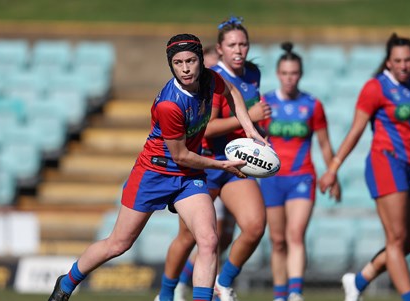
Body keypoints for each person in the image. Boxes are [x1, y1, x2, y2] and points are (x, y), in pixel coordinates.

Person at [46, 33, 265, 301]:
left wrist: (249, 129)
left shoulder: (209, 80)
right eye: (178, 62)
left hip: (188, 178)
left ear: (200, 61)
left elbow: (231, 92)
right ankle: (67, 282)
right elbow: (182, 155)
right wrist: (222, 165)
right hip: (154, 173)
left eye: (191, 61)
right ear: (170, 65)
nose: (185, 68)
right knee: (118, 244)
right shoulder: (170, 104)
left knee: (208, 240)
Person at [319, 33, 410, 301]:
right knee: (396, 238)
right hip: (385, 162)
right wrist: (333, 168)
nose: (404, 65)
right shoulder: (376, 88)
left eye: (408, 60)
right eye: (398, 60)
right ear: (389, 62)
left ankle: (359, 280)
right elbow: (356, 131)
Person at [156, 16, 271, 301]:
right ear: (219, 49)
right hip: (204, 163)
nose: (239, 50)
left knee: (255, 225)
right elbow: (208, 126)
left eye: (243, 44)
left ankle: (224, 282)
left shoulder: (253, 73)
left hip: (235, 164)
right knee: (188, 237)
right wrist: (248, 120)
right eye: (232, 44)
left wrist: (256, 132)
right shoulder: (211, 78)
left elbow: (249, 116)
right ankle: (166, 294)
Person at [259, 42, 340, 301]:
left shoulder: (312, 105)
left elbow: (325, 143)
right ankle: (279, 294)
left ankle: (295, 292)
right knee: (278, 239)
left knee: (295, 234)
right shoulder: (265, 104)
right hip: (272, 180)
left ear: (300, 74)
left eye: (293, 73)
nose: (289, 78)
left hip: (301, 177)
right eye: (284, 73)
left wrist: (332, 172)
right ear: (278, 74)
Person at [171, 37, 238, 301]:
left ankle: (194, 279)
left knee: (222, 238)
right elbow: (206, 130)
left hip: (224, 164)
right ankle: (172, 287)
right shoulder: (186, 96)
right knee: (200, 236)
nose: (190, 70)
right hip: (203, 167)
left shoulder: (220, 85)